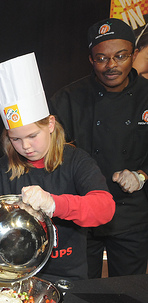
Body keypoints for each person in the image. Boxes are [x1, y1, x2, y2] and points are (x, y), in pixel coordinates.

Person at [0, 53, 115, 283]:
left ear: (50, 124)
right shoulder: (6, 166)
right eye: (15, 139)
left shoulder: (76, 160)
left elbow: (105, 208)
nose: (25, 147)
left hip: (67, 274)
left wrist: (54, 204)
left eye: (32, 136)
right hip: (15, 274)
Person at [49, 18, 148, 278]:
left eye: (120, 56)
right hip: (81, 216)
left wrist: (141, 174)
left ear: (134, 55)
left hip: (131, 214)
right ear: (91, 60)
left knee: (130, 292)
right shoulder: (67, 99)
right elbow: (54, 154)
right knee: (83, 293)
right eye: (102, 58)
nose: (111, 65)